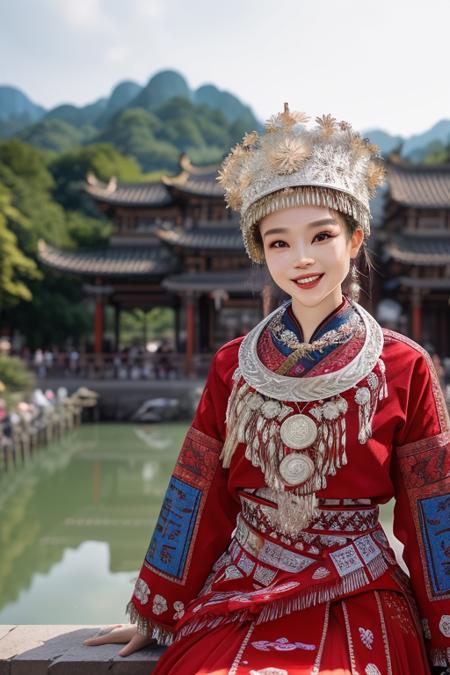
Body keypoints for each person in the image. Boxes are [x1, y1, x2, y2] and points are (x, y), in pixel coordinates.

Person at [85, 106, 450, 673]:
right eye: (278, 243)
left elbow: (433, 510)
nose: (301, 259)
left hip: (360, 583)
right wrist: (158, 608)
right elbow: (199, 492)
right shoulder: (234, 364)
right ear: (261, 252)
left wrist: (446, 626)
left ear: (355, 240)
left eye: (321, 236)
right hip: (243, 579)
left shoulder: (404, 366)